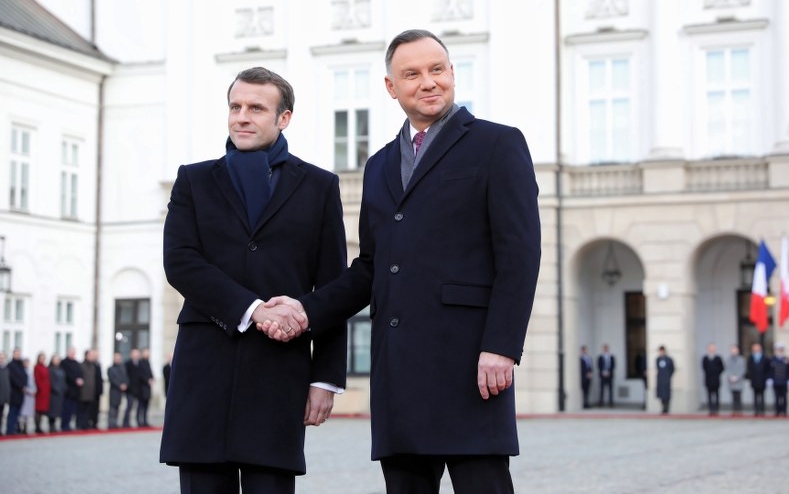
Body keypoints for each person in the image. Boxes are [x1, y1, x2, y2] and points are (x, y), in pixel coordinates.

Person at [261, 29, 541, 494]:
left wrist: (503, 346)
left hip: (472, 363)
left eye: (437, 70)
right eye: (412, 74)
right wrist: (307, 310)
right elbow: (370, 267)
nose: (428, 82)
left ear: (452, 74)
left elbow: (520, 253)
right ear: (392, 87)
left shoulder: (498, 145)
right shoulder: (380, 166)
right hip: (400, 373)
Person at [159, 65, 349, 494]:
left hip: (280, 374)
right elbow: (181, 262)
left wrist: (325, 379)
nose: (242, 116)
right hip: (204, 369)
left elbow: (333, 287)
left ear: (284, 118)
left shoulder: (320, 186)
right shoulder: (193, 179)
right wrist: (253, 309)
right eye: (235, 106)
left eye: (256, 108)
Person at [60, 346, 84, 431]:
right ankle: (64, 425)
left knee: (72, 410)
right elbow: (66, 374)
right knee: (66, 409)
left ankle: (69, 424)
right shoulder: (64, 362)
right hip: (67, 390)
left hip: (76, 391)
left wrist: (80, 379)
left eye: (74, 352)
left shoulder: (76, 363)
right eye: (71, 352)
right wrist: (75, 380)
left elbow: (80, 373)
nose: (73, 354)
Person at [746, 342, 771, 416]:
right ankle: (756, 410)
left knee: (762, 396)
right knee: (755, 396)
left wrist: (767, 378)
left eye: (757, 348)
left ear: (760, 348)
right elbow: (749, 369)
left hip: (762, 380)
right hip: (754, 380)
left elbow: (767, 369)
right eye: (754, 348)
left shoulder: (765, 357)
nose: (756, 349)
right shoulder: (750, 357)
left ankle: (762, 410)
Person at [6, 348, 26, 435]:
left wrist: (24, 386)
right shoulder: (10, 365)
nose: (18, 355)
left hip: (21, 392)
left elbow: (25, 376)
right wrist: (21, 386)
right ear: (13, 354)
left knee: (18, 412)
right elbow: (12, 378)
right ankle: (10, 429)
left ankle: (15, 428)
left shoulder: (21, 365)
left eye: (19, 353)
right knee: (12, 411)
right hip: (14, 392)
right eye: (16, 353)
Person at [79, 349, 100, 430]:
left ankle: (87, 424)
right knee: (82, 410)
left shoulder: (93, 366)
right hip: (84, 391)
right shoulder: (82, 365)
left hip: (91, 392)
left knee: (89, 410)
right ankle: (81, 424)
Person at [107, 352, 129, 429]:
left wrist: (125, 384)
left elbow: (125, 377)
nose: (118, 359)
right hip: (114, 391)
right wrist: (120, 385)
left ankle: (115, 423)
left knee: (118, 407)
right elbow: (112, 379)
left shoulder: (122, 368)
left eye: (119, 358)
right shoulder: (110, 369)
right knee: (112, 408)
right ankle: (111, 423)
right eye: (116, 358)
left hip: (120, 392)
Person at [701, 343, 724, 415]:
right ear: (708, 349)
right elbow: (704, 368)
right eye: (710, 348)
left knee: (717, 395)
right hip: (708, 379)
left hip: (716, 379)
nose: (711, 349)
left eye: (713, 348)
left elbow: (722, 368)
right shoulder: (705, 358)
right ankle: (711, 409)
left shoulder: (718, 358)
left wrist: (716, 372)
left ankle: (716, 409)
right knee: (709, 395)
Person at [770, 343, 789, 417]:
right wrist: (770, 379)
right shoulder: (772, 359)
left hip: (784, 381)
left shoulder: (787, 359)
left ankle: (784, 411)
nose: (780, 351)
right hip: (776, 381)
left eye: (781, 350)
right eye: (778, 350)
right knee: (776, 397)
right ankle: (777, 411)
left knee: (784, 397)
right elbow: (770, 370)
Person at [123, 348, 141, 428]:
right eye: (134, 354)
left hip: (138, 389)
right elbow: (125, 375)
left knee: (138, 407)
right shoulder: (127, 364)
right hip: (130, 389)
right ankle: (125, 423)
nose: (136, 356)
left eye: (137, 354)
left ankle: (138, 421)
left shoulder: (140, 364)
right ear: (131, 355)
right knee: (129, 406)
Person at [48, 354, 66, 432]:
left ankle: (55, 424)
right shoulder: (50, 369)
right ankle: (51, 425)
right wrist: (56, 389)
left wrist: (64, 388)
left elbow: (63, 380)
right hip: (53, 393)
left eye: (58, 359)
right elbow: (50, 381)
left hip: (61, 393)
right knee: (52, 410)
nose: (57, 361)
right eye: (56, 359)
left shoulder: (61, 369)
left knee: (57, 410)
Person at [33, 352, 51, 433]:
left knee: (43, 410)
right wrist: (40, 388)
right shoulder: (37, 367)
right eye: (41, 358)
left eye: (44, 358)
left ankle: (40, 425)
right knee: (38, 409)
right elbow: (37, 378)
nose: (43, 360)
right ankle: (37, 426)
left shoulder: (45, 367)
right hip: (40, 391)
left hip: (46, 391)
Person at [726, 344, 746, 415]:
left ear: (738, 350)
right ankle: (734, 410)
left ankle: (739, 410)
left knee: (739, 396)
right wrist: (731, 377)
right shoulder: (728, 360)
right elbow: (727, 369)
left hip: (739, 381)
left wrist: (737, 377)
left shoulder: (742, 360)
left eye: (735, 350)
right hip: (731, 381)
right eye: (732, 350)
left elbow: (742, 370)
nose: (734, 351)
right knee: (733, 396)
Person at [655, 346, 675, 414]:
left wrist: (668, 376)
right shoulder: (658, 359)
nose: (661, 352)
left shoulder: (669, 359)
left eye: (662, 351)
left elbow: (672, 369)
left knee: (666, 395)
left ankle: (666, 408)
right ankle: (663, 408)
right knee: (661, 395)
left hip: (666, 379)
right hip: (660, 379)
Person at [19, 357, 36, 434]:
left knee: (28, 413)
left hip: (31, 395)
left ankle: (25, 426)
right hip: (25, 394)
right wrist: (28, 390)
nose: (27, 364)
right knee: (22, 412)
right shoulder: (21, 371)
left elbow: (33, 382)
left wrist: (34, 390)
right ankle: (20, 426)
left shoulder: (30, 371)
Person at [138, 348, 154, 427]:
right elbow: (140, 375)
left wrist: (152, 379)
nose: (147, 354)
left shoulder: (148, 362)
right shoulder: (140, 363)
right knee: (141, 405)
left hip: (147, 388)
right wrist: (147, 380)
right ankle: (139, 421)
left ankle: (145, 421)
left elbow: (150, 373)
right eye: (146, 353)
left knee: (146, 406)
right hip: (142, 388)